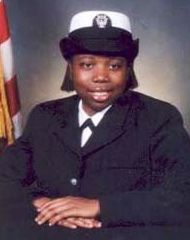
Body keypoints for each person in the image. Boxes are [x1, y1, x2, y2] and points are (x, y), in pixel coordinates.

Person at [0, 10, 190, 240]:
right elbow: (4, 177)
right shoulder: (45, 116)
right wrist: (41, 204)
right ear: (71, 68)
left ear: (128, 69)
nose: (101, 77)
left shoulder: (159, 118)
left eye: (114, 66)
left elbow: (182, 196)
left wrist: (99, 206)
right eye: (87, 64)